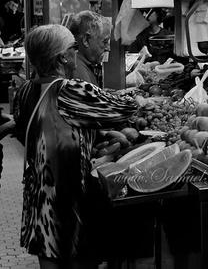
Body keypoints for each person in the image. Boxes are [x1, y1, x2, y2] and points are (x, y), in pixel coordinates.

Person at [13, 24, 137, 269]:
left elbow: (46, 127)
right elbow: (124, 108)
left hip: (39, 192)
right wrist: (138, 97)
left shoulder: (26, 90)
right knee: (78, 258)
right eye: (73, 47)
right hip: (68, 196)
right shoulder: (69, 90)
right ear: (62, 57)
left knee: (49, 257)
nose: (76, 51)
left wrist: (96, 134)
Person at [68, 11, 111, 87]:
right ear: (86, 40)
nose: (108, 48)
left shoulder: (82, 65)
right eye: (104, 42)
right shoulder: (78, 72)